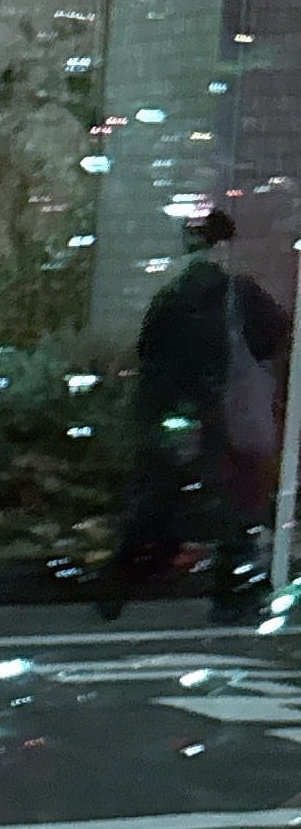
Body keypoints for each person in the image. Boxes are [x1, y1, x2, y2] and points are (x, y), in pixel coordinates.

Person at [98, 206, 292, 618]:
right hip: (220, 413)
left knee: (160, 495)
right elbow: (273, 338)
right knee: (230, 501)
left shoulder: (174, 295)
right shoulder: (239, 294)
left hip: (177, 411)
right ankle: (232, 591)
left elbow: (151, 354)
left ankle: (125, 580)